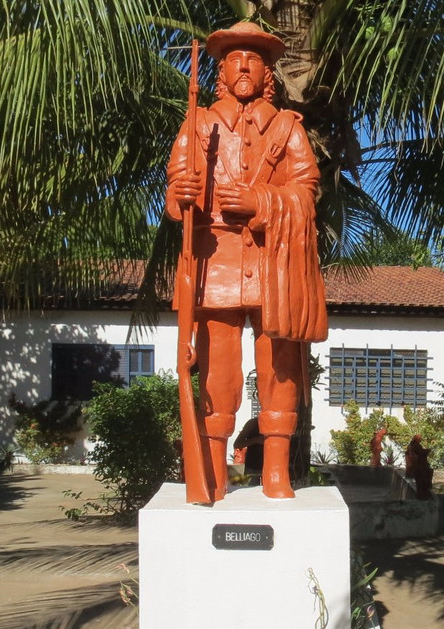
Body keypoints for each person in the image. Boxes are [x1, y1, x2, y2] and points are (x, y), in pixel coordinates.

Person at [165, 21, 326, 501]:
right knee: (218, 368)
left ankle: (276, 468)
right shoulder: (197, 123)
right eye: (234, 58)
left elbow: (306, 190)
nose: (243, 66)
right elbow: (175, 192)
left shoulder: (286, 128)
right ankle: (212, 468)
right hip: (215, 262)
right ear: (220, 69)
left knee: (280, 367)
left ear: (267, 72)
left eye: (253, 59)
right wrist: (182, 195)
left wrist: (260, 202)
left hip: (273, 261)